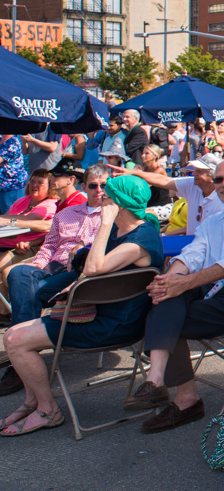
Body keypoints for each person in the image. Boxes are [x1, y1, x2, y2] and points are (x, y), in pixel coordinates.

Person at [123, 159, 224, 434]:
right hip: (215, 291)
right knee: (165, 296)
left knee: (166, 314)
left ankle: (185, 399)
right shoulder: (213, 221)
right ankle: (157, 380)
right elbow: (194, 254)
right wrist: (171, 277)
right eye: (218, 180)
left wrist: (181, 284)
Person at [0, 175, 164, 436]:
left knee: (17, 340)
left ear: (119, 204)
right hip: (96, 315)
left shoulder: (140, 239)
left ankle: (48, 411)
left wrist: (105, 224)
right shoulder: (124, 231)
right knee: (11, 335)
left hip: (113, 326)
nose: (101, 198)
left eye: (108, 195)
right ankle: (33, 402)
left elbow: (93, 268)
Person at [0, 164, 112, 396]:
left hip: (78, 274)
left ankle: (18, 359)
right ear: (84, 187)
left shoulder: (112, 216)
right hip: (52, 268)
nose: (99, 190)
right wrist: (36, 266)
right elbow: (48, 247)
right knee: (18, 273)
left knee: (28, 291)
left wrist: (84, 249)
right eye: (93, 185)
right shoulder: (65, 214)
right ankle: (23, 347)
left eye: (104, 186)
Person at [115, 153, 223, 236]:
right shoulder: (193, 185)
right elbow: (162, 180)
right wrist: (133, 173)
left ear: (213, 177)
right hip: (191, 248)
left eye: (199, 171)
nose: (194, 173)